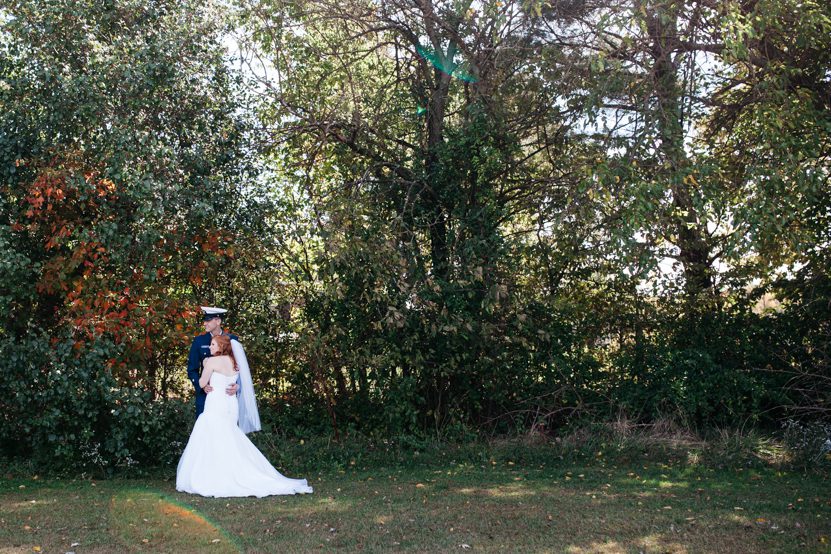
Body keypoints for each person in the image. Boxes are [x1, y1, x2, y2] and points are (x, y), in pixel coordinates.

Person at [176, 334, 313, 497]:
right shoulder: (234, 362)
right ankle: (232, 472)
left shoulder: (212, 361)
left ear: (221, 347)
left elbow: (201, 383)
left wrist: (205, 364)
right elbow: (237, 382)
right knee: (228, 437)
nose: (210, 347)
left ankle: (216, 476)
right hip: (230, 403)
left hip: (216, 403)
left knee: (214, 438)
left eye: (213, 345)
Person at [187, 307, 239, 419]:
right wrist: (202, 386)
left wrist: (237, 385)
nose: (204, 323)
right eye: (204, 320)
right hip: (206, 396)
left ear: (218, 321)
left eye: (208, 320)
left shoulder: (232, 340)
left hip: (228, 395)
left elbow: (239, 367)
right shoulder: (199, 341)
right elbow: (192, 369)